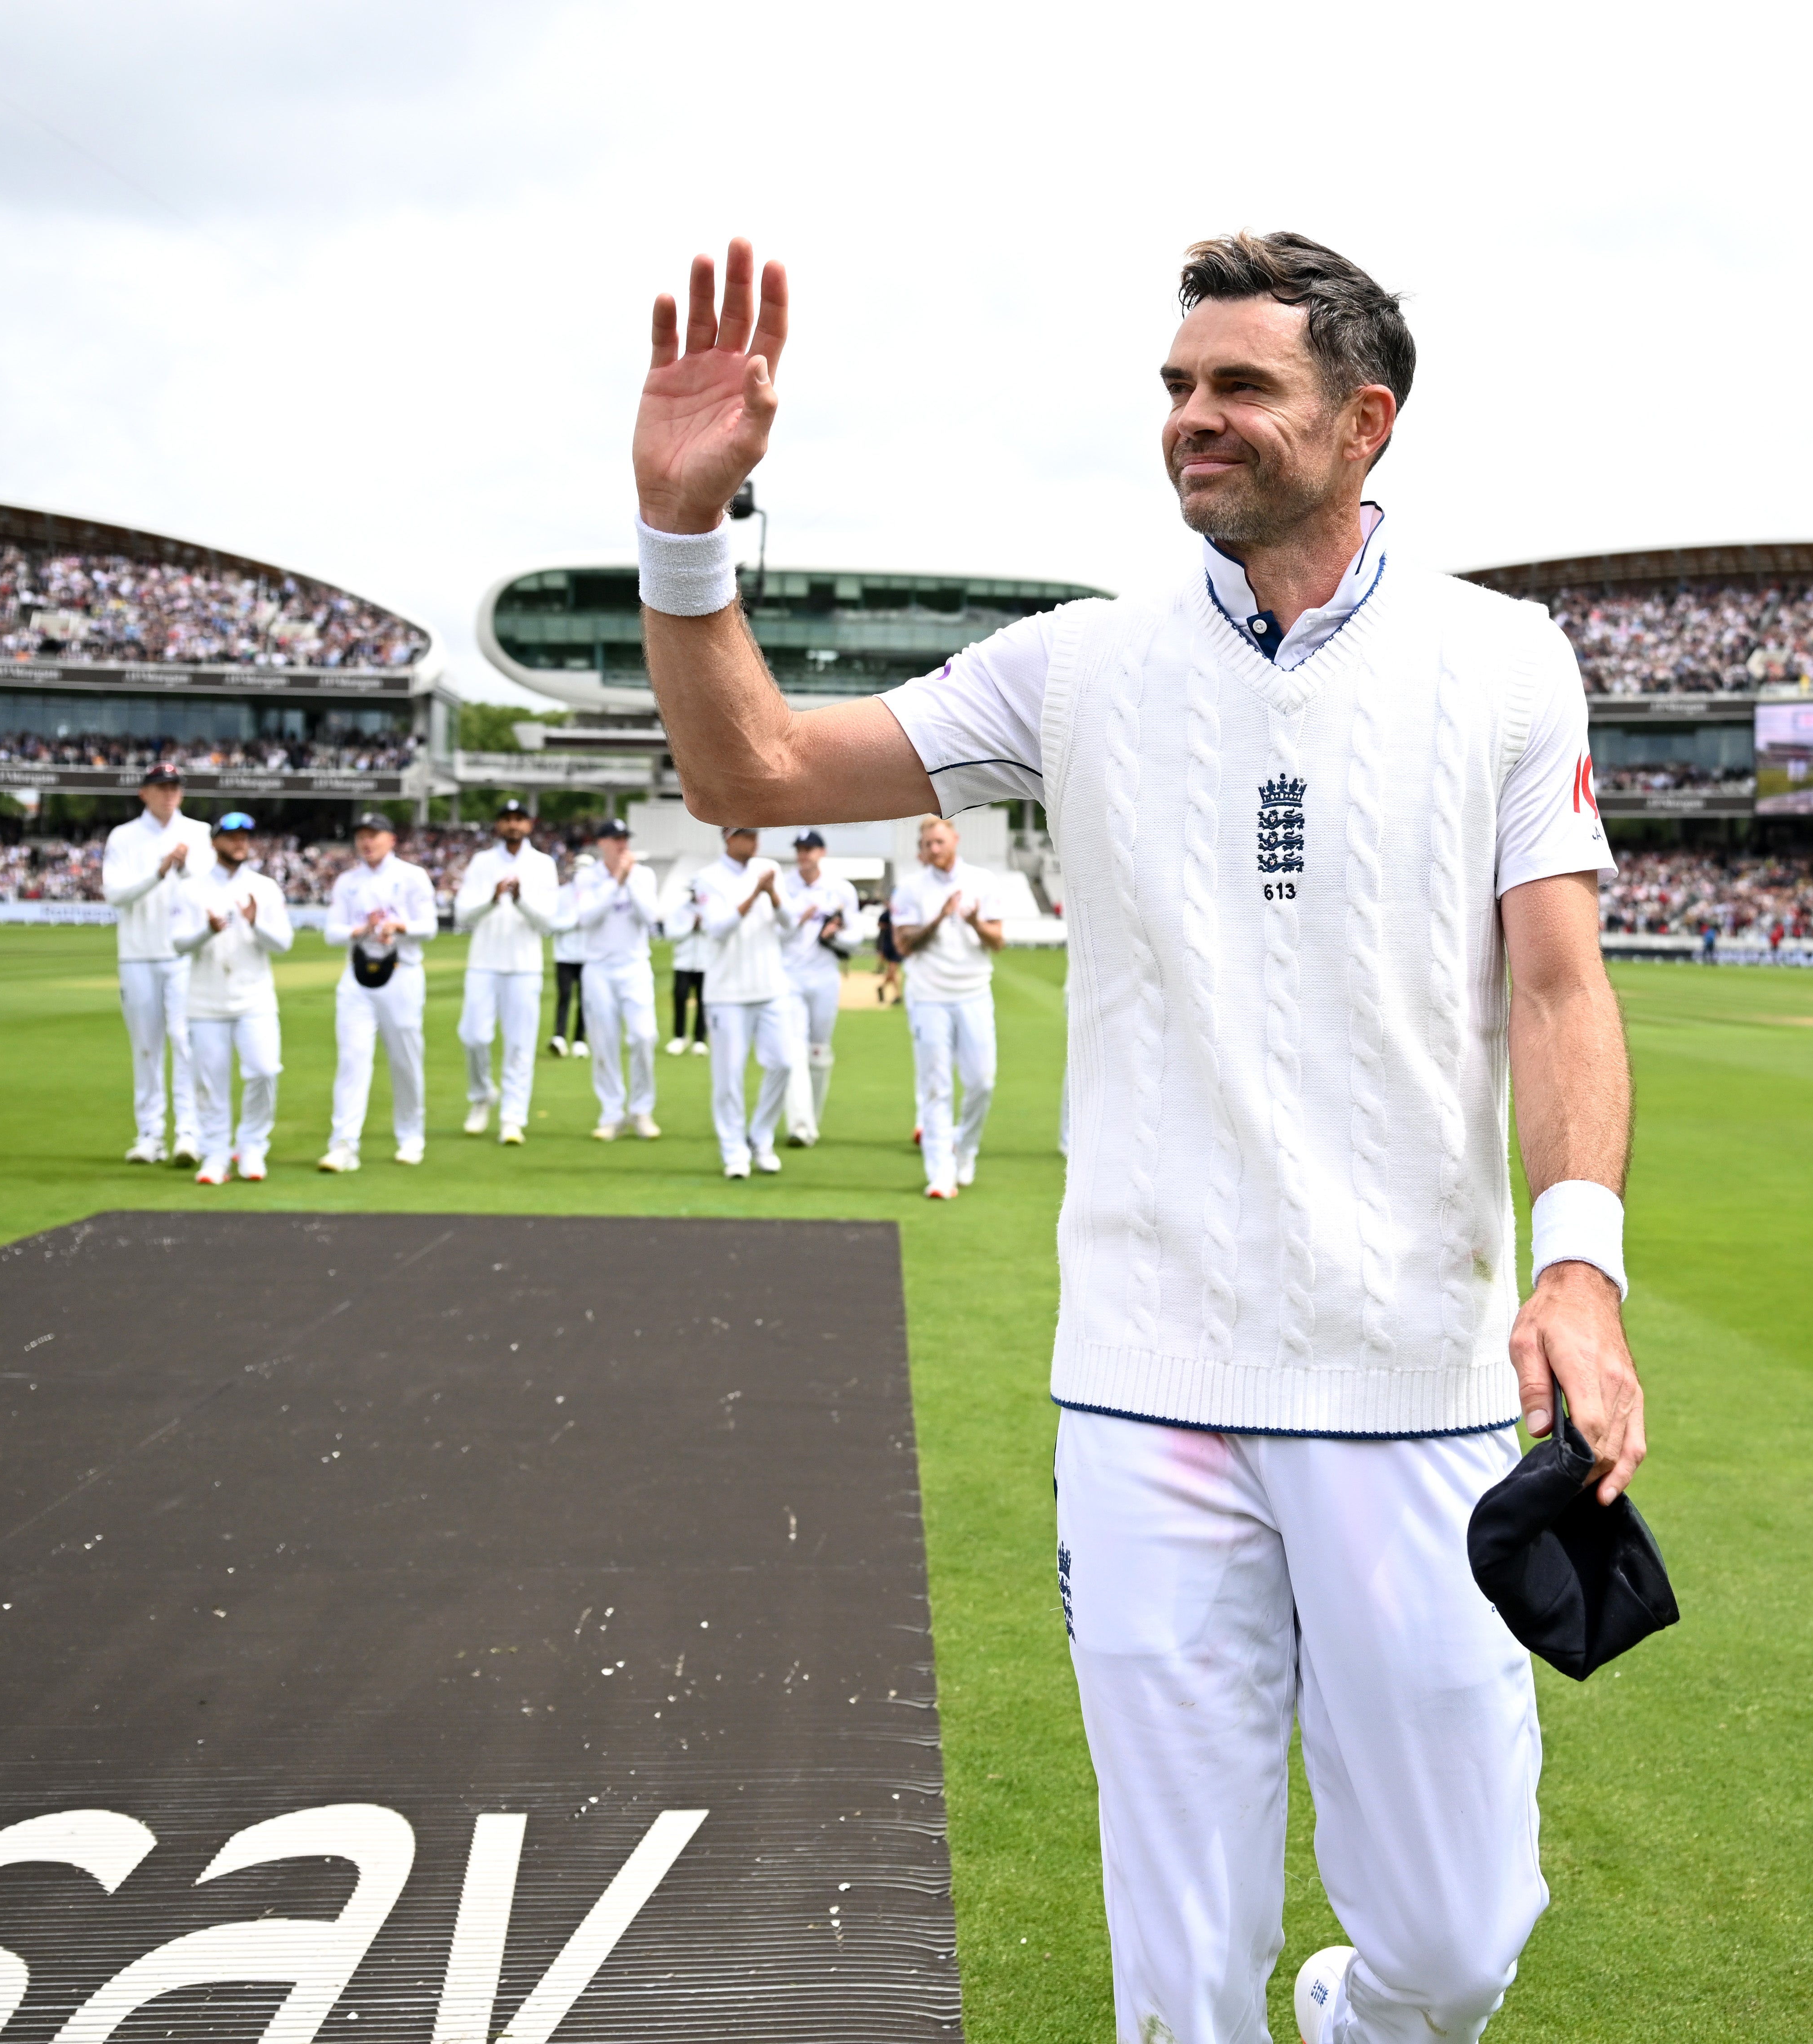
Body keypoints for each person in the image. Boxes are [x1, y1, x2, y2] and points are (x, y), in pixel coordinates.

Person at [628, 232, 1636, 2044]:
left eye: (1239, 386)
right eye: (1175, 386)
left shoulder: (1504, 661)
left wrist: (1579, 1260)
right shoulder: (1072, 666)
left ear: (1366, 421)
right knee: (1176, 1971)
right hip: (1146, 1391)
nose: (1192, 419)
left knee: (1459, 1939)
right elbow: (752, 772)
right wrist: (681, 532)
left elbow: (1559, 988)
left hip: (1411, 1381)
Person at [98, 762, 214, 1164]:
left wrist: (182, 868)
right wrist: (158, 871)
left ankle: (188, 1133)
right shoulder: (124, 837)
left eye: (175, 788)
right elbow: (115, 894)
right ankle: (150, 1134)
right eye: (161, 787)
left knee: (185, 1043)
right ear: (144, 793)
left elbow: (207, 885)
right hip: (137, 953)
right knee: (146, 1047)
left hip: (182, 954)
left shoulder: (198, 833)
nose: (169, 794)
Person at [885, 815, 1006, 1198]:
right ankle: (941, 1172)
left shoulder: (983, 882)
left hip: (973, 992)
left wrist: (973, 920)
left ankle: (965, 1149)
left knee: (982, 1082)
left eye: (940, 841)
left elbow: (998, 941)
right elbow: (904, 945)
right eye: (928, 844)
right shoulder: (909, 890)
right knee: (936, 1087)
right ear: (921, 850)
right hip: (929, 997)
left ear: (954, 838)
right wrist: (939, 917)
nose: (935, 849)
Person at [170, 811, 292, 1185]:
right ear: (215, 841)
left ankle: (252, 1146)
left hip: (255, 998)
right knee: (210, 1081)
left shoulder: (265, 887)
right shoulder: (192, 888)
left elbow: (283, 943)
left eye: (245, 836)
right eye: (232, 836)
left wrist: (256, 922)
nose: (240, 842)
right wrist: (207, 931)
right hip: (206, 1001)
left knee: (264, 1069)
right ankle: (216, 1153)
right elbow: (178, 942)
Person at [316, 811, 437, 1173]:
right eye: (362, 836)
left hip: (403, 974)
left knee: (405, 1060)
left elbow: (429, 927)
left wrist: (399, 926)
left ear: (391, 839)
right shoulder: (348, 881)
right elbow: (331, 933)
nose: (367, 842)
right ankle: (343, 1143)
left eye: (375, 835)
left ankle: (411, 1137)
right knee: (353, 1059)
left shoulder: (412, 877)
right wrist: (360, 930)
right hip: (357, 976)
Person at [684, 824, 802, 1178]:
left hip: (771, 987)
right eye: (746, 835)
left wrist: (773, 894)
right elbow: (717, 929)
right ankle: (734, 1150)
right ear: (728, 837)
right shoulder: (707, 878)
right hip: (726, 994)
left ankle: (760, 1137)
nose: (754, 841)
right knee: (729, 1076)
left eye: (755, 834)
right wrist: (755, 894)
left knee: (783, 1062)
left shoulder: (770, 870)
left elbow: (791, 925)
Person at [454, 797, 561, 1144]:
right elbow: (462, 914)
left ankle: (513, 1117)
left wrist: (520, 899)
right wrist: (492, 896)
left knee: (520, 1045)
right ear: (499, 825)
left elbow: (548, 922)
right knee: (474, 1036)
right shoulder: (482, 862)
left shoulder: (543, 864)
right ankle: (482, 1094)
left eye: (519, 819)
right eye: (507, 819)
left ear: (529, 825)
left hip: (524, 966)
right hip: (483, 962)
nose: (513, 825)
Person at [559, 816, 667, 1140]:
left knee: (644, 1036)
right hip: (599, 968)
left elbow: (650, 916)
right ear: (602, 843)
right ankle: (611, 1112)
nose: (622, 844)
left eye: (625, 838)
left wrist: (629, 880)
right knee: (604, 1041)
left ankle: (641, 1109)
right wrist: (616, 881)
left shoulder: (643, 875)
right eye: (615, 839)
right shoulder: (588, 878)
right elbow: (586, 917)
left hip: (634, 966)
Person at [778, 829, 860, 1143]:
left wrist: (833, 935)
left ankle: (811, 1118)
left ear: (822, 852)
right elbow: (774, 934)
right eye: (800, 848)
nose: (804, 854)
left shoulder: (840, 890)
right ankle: (799, 1125)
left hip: (825, 977)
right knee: (794, 1050)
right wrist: (800, 921)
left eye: (810, 848)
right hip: (790, 977)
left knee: (818, 1051)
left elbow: (855, 938)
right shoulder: (784, 887)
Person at [664, 869, 713, 1057]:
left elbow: (718, 933)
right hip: (683, 963)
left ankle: (700, 1039)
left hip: (705, 963)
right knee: (680, 998)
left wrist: (703, 927)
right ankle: (679, 1036)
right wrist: (690, 927)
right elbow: (671, 934)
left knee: (704, 1002)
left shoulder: (711, 910)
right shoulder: (681, 910)